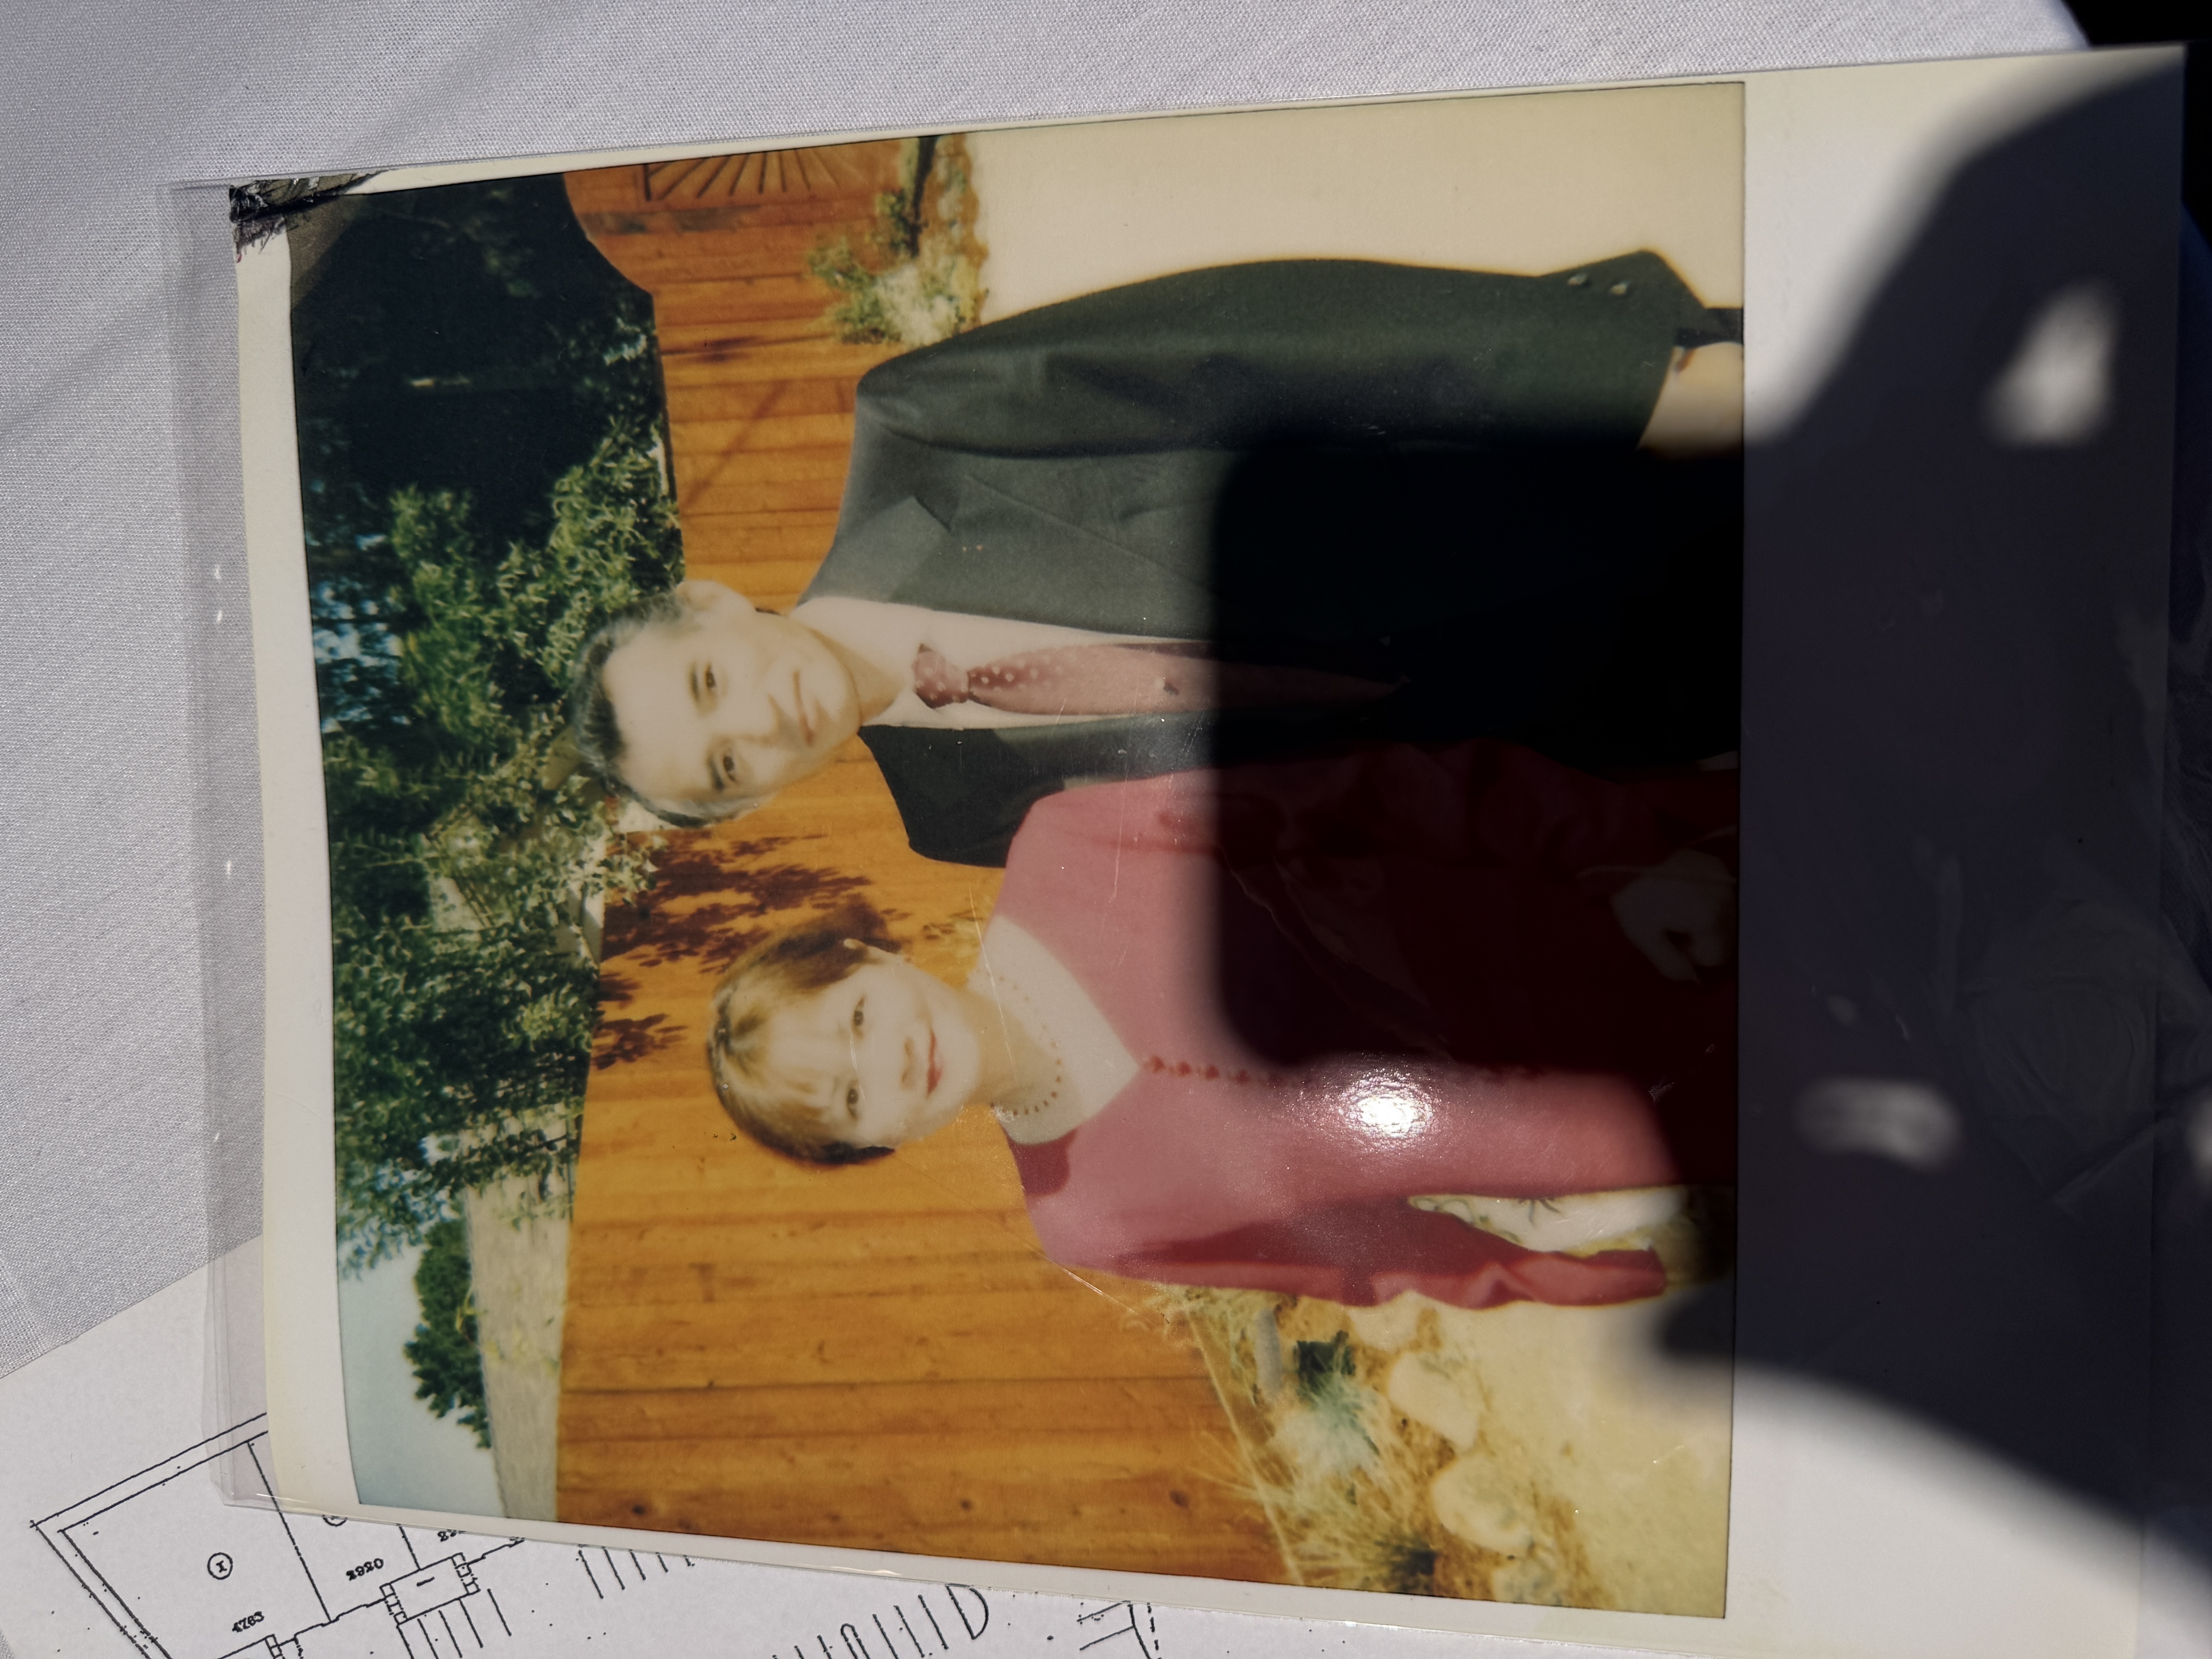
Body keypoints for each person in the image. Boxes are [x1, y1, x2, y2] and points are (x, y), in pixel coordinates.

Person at [573, 254, 1745, 864]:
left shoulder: (923, 432)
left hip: (1604, 480)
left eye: (709, 684)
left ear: (713, 601)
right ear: (751, 808)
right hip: (1613, 729)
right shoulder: (967, 825)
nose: (760, 729)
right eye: (725, 769)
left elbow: (1258, 335)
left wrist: (1621, 377)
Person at [704, 738, 1737, 1311]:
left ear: (873, 955)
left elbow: (1378, 790)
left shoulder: (1067, 844)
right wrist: (1613, 1269)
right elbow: (1383, 1261)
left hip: (1647, 928)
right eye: (851, 1096)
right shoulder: (1090, 1221)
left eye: (857, 1016)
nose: (888, 1058)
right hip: (1688, 1128)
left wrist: (1627, 854)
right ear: (877, 1142)